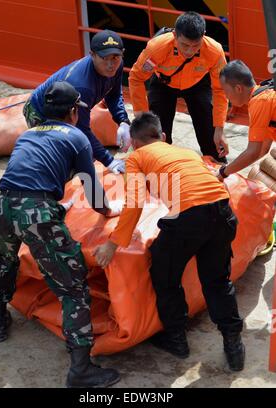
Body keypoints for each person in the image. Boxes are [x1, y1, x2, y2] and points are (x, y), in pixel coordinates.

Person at [0, 81, 121, 388]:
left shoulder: (27, 134)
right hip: (36, 212)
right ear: (74, 112)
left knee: (5, 261)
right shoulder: (77, 137)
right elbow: (92, 188)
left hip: (4, 205)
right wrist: (108, 213)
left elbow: (29, 173)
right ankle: (81, 370)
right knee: (73, 288)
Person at [94, 112, 245, 371]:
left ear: (134, 143)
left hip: (189, 219)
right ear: (162, 136)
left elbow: (134, 204)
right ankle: (233, 343)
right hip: (223, 212)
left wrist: (112, 243)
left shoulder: (137, 157)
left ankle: (176, 338)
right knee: (218, 281)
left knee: (165, 274)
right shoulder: (186, 152)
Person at [24, 29, 131, 174]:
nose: (111, 64)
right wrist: (109, 160)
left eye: (115, 57)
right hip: (41, 110)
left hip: (70, 109)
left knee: (84, 155)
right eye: (105, 58)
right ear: (92, 55)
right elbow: (81, 130)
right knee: (62, 162)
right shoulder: (82, 86)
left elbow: (113, 94)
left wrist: (123, 120)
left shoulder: (117, 66)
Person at [128, 11, 228, 162]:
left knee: (210, 134)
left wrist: (220, 129)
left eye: (196, 46)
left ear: (204, 35)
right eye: (185, 45)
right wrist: (142, 117)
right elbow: (136, 78)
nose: (189, 51)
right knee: (158, 136)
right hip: (163, 84)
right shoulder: (157, 48)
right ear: (175, 35)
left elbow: (220, 90)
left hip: (198, 85)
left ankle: (218, 167)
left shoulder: (215, 51)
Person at [216, 59, 276, 180]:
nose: (226, 97)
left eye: (226, 92)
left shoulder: (259, 102)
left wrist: (222, 173)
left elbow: (253, 152)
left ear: (238, 88)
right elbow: (263, 149)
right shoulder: (265, 92)